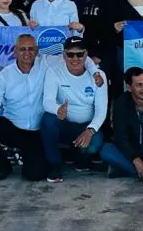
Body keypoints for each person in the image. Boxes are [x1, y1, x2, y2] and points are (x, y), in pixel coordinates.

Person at [0, 34, 48, 181]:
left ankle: (23, 155)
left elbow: (73, 57)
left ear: (37, 50)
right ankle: (1, 166)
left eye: (31, 49)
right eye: (22, 49)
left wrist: (95, 71)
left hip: (37, 132)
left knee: (35, 175)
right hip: (13, 128)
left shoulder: (46, 65)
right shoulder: (4, 75)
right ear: (15, 51)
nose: (27, 53)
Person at [40, 37, 108, 178]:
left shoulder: (99, 76)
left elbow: (102, 110)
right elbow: (47, 101)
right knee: (48, 120)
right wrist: (57, 109)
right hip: (64, 124)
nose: (75, 58)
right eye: (70, 54)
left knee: (94, 145)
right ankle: (54, 165)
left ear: (86, 54)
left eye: (80, 54)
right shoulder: (54, 71)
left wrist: (90, 130)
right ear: (64, 55)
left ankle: (80, 159)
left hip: (86, 126)